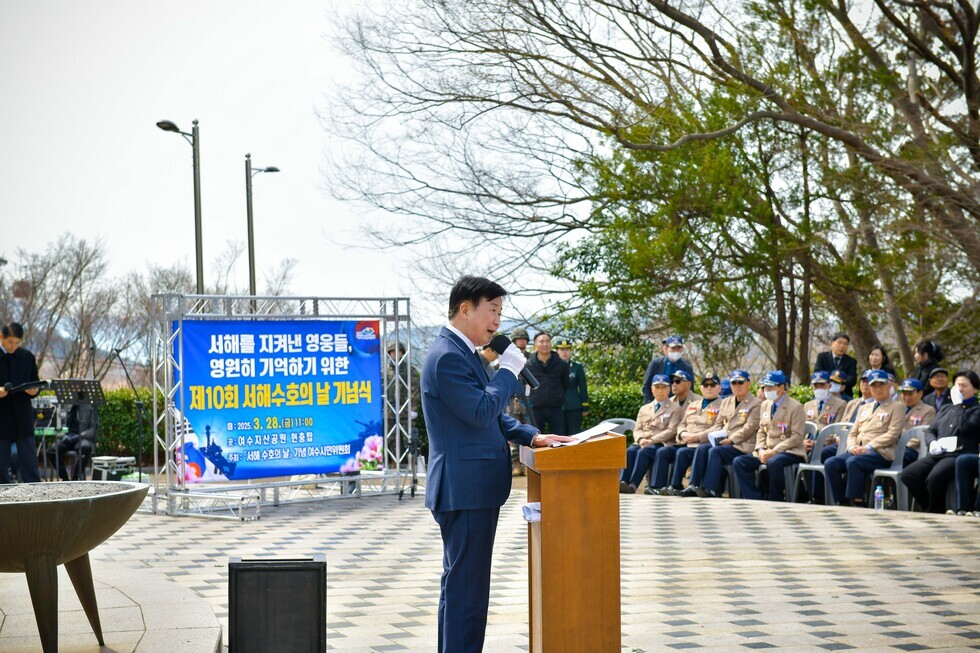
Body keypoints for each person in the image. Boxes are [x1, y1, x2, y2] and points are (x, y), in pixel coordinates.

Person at [421, 276, 571, 653]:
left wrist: (531, 436)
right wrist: (507, 371)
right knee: (467, 594)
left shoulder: (463, 352)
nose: (497, 322)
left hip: (470, 488)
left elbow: (490, 415)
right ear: (465, 308)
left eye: (500, 313)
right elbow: (480, 410)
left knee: (462, 590)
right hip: (465, 489)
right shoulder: (448, 356)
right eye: (492, 310)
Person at [899, 371, 980, 514]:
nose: (960, 389)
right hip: (938, 452)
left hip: (958, 454)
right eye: (957, 385)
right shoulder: (945, 408)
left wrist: (958, 405)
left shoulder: (976, 410)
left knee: (934, 477)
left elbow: (965, 427)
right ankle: (930, 507)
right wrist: (932, 443)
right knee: (908, 474)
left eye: (964, 386)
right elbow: (931, 430)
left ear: (975, 389)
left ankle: (935, 511)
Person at [823, 369, 905, 506]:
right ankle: (842, 502)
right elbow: (853, 432)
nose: (877, 389)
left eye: (881, 385)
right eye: (874, 385)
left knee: (853, 462)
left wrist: (868, 447)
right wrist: (851, 447)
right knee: (831, 463)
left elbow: (892, 434)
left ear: (889, 386)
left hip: (881, 453)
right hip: (858, 451)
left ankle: (857, 502)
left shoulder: (897, 407)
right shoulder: (864, 408)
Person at [733, 370, 806, 501]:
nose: (766, 390)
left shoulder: (795, 407)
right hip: (767, 450)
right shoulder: (765, 404)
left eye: (770, 387)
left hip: (789, 451)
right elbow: (761, 431)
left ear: (781, 387)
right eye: (765, 387)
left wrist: (774, 451)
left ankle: (776, 499)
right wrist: (760, 449)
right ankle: (755, 497)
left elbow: (797, 437)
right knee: (740, 462)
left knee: (774, 462)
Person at [689, 369, 761, 498]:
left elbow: (750, 427)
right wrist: (714, 436)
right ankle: (693, 486)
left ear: (748, 383)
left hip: (742, 445)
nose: (737, 386)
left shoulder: (756, 403)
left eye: (740, 382)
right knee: (702, 448)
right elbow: (719, 423)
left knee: (715, 451)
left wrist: (731, 440)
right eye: (734, 383)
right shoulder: (727, 401)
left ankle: (711, 489)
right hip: (725, 442)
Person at [620, 374, 683, 493]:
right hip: (643, 441)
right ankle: (622, 482)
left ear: (669, 389)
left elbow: (671, 430)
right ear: (652, 389)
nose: (660, 390)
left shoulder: (675, 409)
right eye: (657, 387)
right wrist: (640, 439)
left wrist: (651, 440)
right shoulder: (644, 408)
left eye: (663, 387)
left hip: (660, 443)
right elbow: (637, 429)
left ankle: (633, 485)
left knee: (644, 452)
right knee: (630, 451)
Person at [666, 371, 724, 497]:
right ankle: (674, 485)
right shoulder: (693, 404)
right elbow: (682, 423)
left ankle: (693, 485)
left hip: (706, 443)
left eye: (712, 385)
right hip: (689, 442)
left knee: (697, 450)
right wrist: (682, 433)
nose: (709, 388)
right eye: (706, 385)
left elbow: (719, 426)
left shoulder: (723, 405)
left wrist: (698, 437)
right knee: (681, 452)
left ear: (719, 388)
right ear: (701, 388)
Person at [0, 322, 44, 484]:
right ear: (1, 337)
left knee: (29, 461)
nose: (13, 346)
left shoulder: (27, 357)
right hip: (1, 417)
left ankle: (34, 491)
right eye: (10, 342)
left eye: (17, 343)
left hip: (23, 416)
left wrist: (34, 391)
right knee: (0, 462)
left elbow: (35, 382)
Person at [642, 370, 698, 494]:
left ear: (688, 384)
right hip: (675, 441)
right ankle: (658, 487)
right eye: (672, 381)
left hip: (692, 442)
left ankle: (675, 485)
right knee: (662, 451)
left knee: (677, 452)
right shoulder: (669, 401)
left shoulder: (698, 401)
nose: (674, 384)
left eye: (678, 381)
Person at [525, 332, 569, 435]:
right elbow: (524, 384)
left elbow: (565, 384)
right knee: (535, 437)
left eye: (547, 341)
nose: (545, 344)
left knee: (559, 438)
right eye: (541, 341)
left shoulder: (561, 364)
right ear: (535, 345)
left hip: (556, 408)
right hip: (535, 408)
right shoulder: (528, 365)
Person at [52, 391, 100, 480]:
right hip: (68, 437)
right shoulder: (66, 406)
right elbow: (59, 426)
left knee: (85, 448)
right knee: (52, 450)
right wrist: (63, 435)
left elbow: (94, 429)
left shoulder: (90, 407)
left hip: (82, 438)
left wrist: (81, 435)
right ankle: (65, 479)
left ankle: (75, 478)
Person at [640, 335, 694, 403]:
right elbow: (646, 386)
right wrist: (649, 404)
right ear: (666, 348)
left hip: (679, 405)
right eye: (673, 348)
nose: (676, 351)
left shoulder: (687, 366)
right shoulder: (656, 364)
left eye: (679, 348)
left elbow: (690, 389)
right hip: (658, 404)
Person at [555, 339, 589, 435]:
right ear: (557, 351)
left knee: (574, 435)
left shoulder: (577, 367)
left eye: (567, 349)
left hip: (574, 406)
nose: (565, 352)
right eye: (562, 350)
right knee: (559, 435)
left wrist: (585, 405)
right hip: (557, 408)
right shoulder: (552, 367)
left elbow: (583, 387)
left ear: (570, 351)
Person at [813, 332, 858, 400]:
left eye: (845, 344)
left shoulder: (851, 361)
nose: (842, 346)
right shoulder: (822, 357)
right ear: (832, 343)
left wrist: (839, 382)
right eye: (839, 343)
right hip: (824, 392)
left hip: (844, 394)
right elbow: (818, 373)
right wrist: (835, 377)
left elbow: (852, 379)